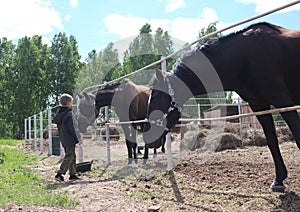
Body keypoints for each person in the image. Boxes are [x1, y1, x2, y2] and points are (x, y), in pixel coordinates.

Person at [54, 93, 83, 182]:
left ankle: (73, 174)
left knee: (72, 155)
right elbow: (73, 129)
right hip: (70, 139)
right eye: (72, 102)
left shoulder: (60, 113)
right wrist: (79, 137)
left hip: (63, 138)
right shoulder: (69, 114)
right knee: (69, 156)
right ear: (69, 102)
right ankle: (59, 174)